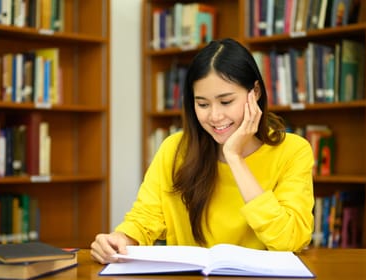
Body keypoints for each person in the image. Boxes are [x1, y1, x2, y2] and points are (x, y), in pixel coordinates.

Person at [91, 38, 314, 264]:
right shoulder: (175, 149)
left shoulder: (293, 151)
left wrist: (234, 158)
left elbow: (289, 240)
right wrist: (120, 239)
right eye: (203, 104)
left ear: (255, 92)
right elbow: (145, 219)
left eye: (226, 102)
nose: (215, 116)